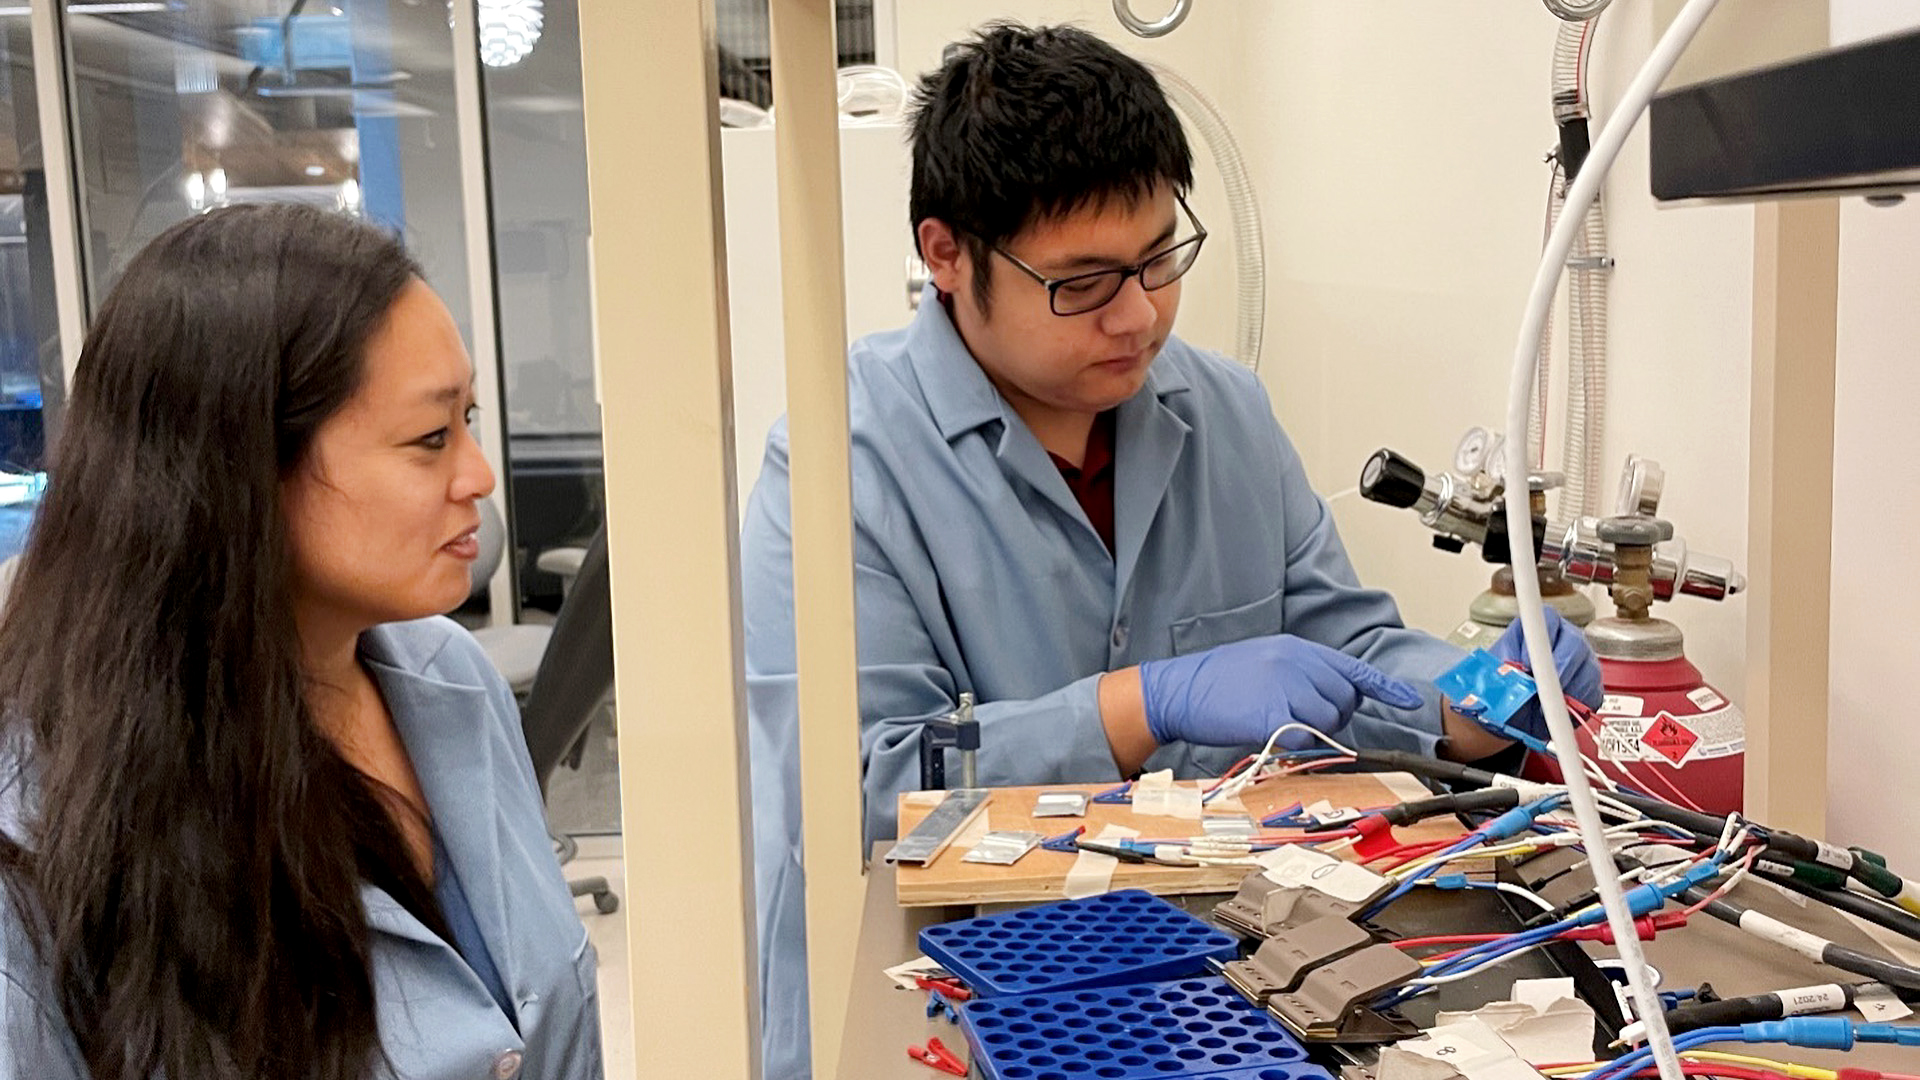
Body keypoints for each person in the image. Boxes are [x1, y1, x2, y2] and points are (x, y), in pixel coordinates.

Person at [740, 23, 1602, 1079]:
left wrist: (1477, 701)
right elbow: (859, 794)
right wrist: (1138, 706)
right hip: (947, 1011)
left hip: (1214, 1002)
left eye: (1159, 259)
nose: (1140, 316)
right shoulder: (838, 458)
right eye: (1085, 282)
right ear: (946, 254)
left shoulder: (1224, 412)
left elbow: (1350, 646)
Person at [0, 204, 603, 1080]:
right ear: (242, 469)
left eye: (468, 421)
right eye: (431, 438)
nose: (477, 476)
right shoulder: (39, 832)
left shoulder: (452, 680)